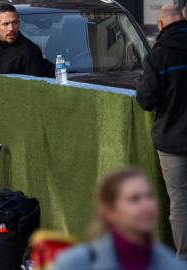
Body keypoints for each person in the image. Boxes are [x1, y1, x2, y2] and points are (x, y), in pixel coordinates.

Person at [49, 167, 187, 270]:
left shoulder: (171, 263)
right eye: (134, 199)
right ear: (109, 211)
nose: (148, 206)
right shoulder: (75, 263)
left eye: (150, 196)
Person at [136, 4, 187, 261]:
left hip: (174, 140)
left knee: (180, 202)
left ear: (160, 24)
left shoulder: (158, 56)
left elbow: (146, 100)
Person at [0, 4, 54, 145]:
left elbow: (33, 96)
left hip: (18, 129)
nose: (11, 29)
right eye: (6, 24)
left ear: (19, 23)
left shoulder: (28, 52)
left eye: (14, 23)